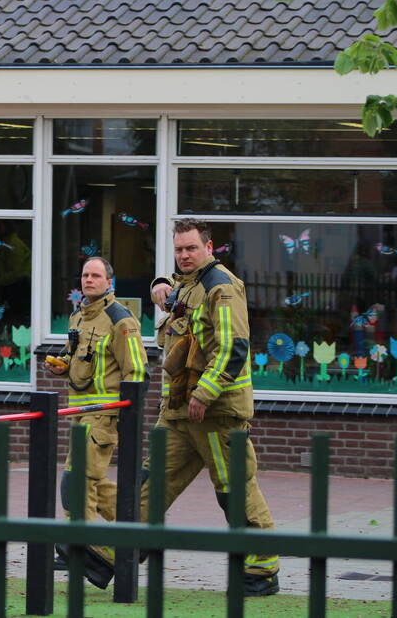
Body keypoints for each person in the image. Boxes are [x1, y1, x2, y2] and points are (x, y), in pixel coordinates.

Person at [145, 218, 280, 597]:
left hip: (215, 411)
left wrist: (204, 394)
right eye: (178, 249)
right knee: (152, 480)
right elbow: (174, 326)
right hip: (178, 409)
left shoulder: (220, 287)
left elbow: (232, 347)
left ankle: (261, 568)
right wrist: (160, 287)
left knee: (233, 487)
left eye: (191, 248)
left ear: (209, 246)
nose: (184, 255)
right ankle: (119, 548)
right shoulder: (188, 285)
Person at [44, 256, 147, 589]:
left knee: (75, 482)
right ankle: (140, 532)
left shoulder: (120, 319)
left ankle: (89, 551)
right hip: (79, 413)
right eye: (85, 275)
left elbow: (137, 371)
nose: (89, 280)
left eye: (96, 275)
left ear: (109, 283)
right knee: (94, 484)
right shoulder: (78, 315)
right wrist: (62, 365)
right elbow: (77, 357)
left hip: (104, 415)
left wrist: (126, 414)